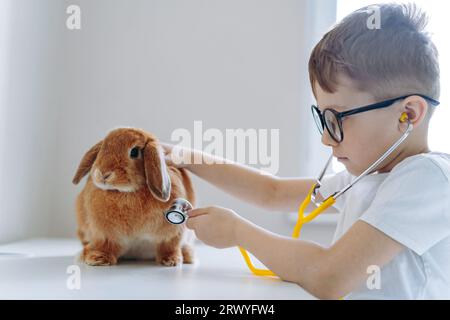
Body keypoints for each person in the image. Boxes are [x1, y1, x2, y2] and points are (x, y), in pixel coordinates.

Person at [162, 3, 450, 299]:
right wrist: (181, 156)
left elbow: (329, 275)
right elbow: (270, 192)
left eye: (336, 118)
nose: (326, 138)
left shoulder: (428, 178)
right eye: (322, 119)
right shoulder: (365, 177)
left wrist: (237, 232)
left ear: (408, 114)